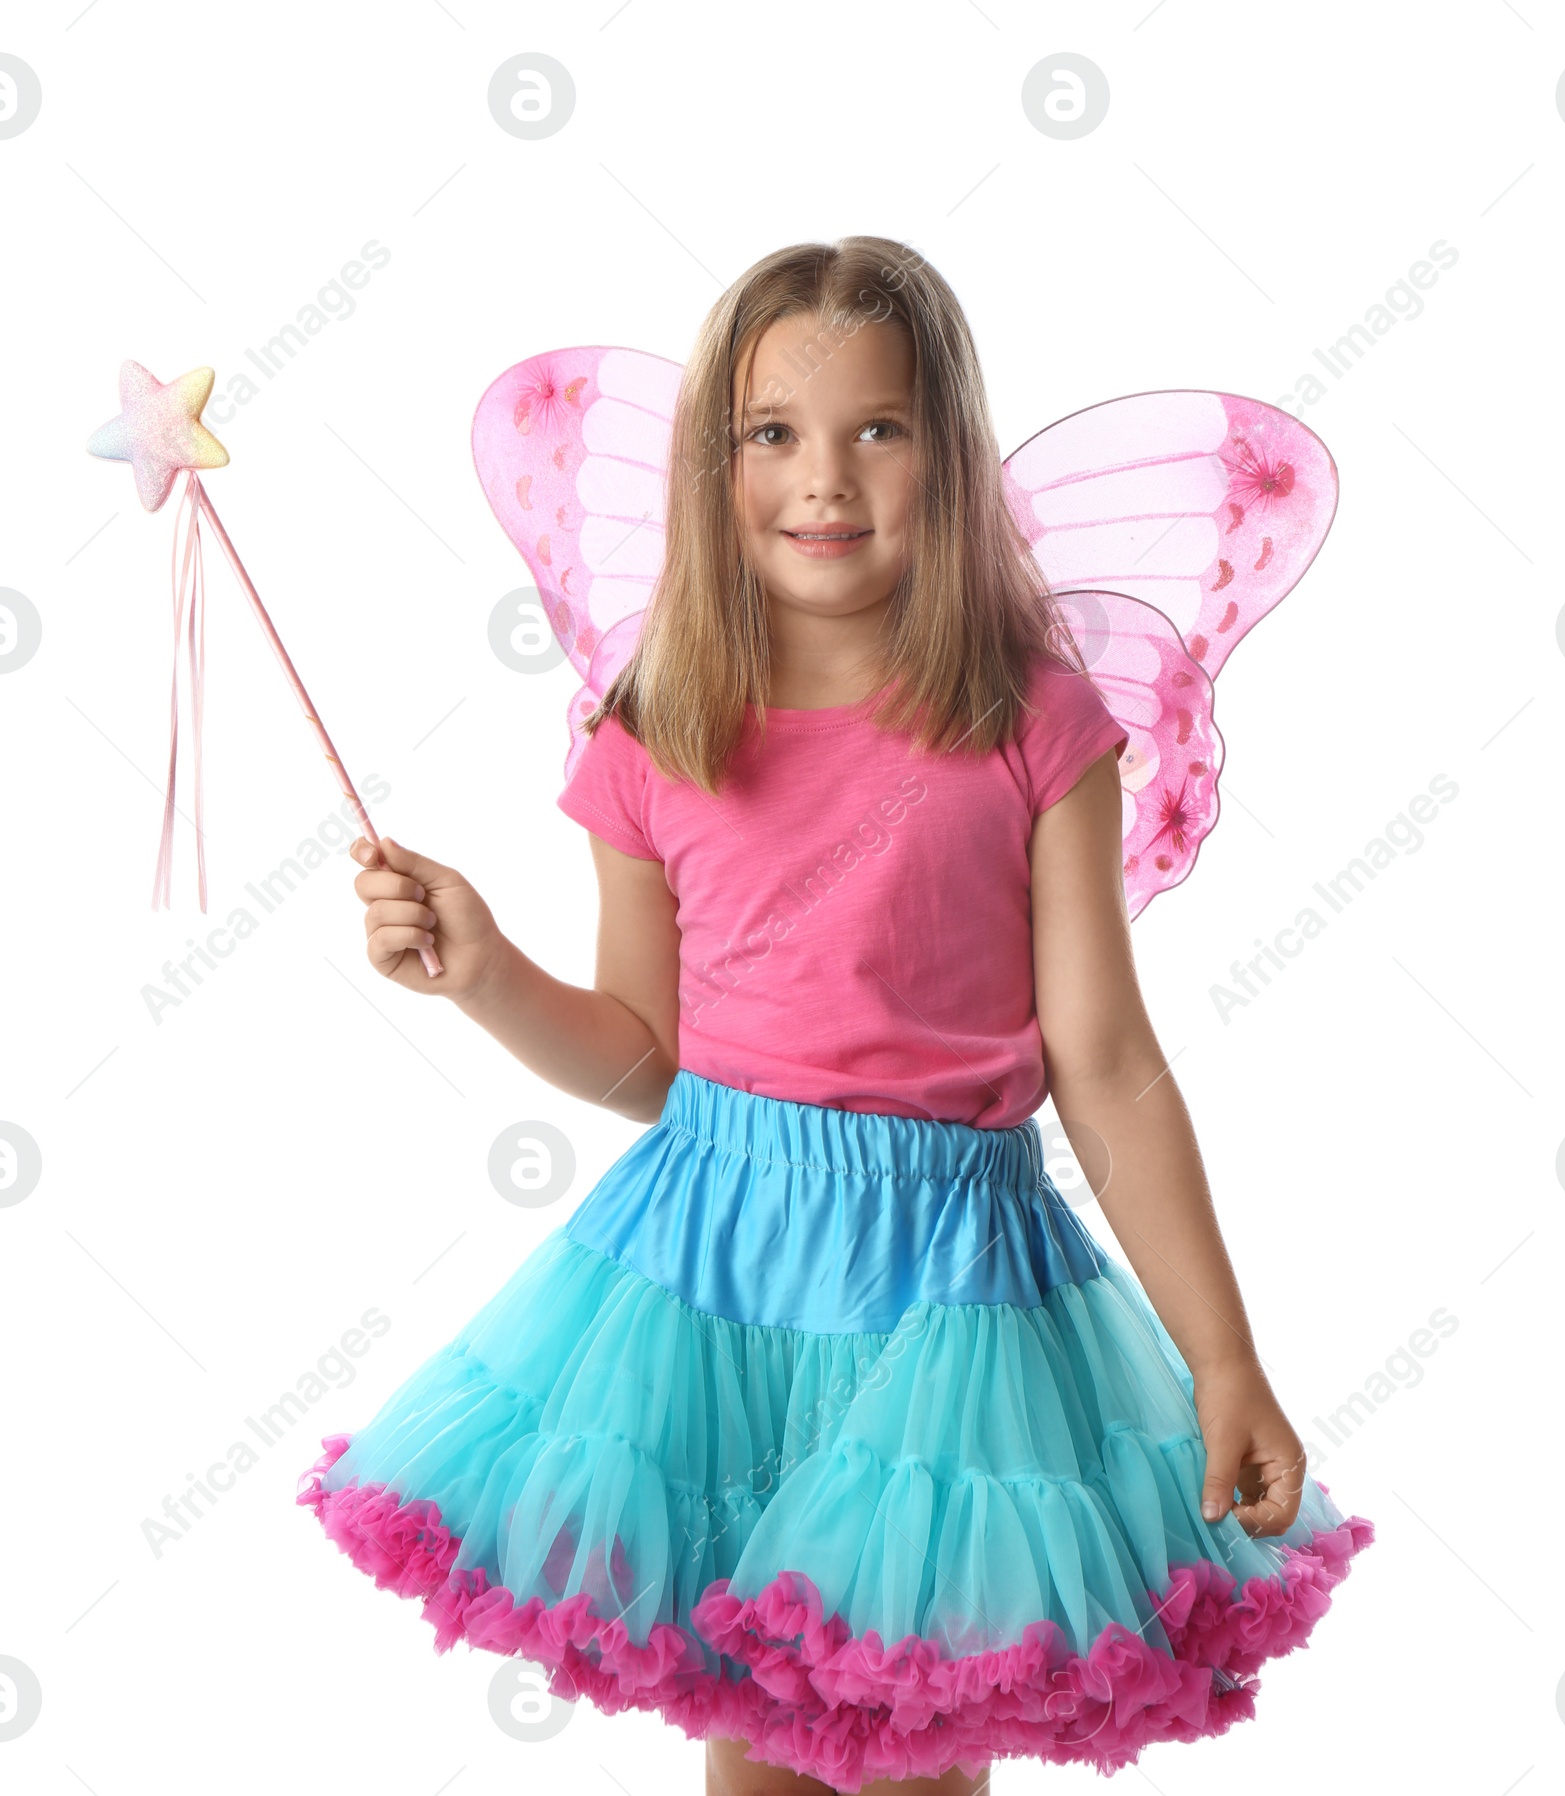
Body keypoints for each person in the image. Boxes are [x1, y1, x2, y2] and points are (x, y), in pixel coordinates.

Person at [297, 237, 1372, 1795]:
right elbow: (647, 1059)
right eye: (773, 434)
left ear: (948, 451)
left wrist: (1222, 1359)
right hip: (711, 1278)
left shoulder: (1031, 720)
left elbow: (1111, 1067)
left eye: (880, 429)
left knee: (922, 1739)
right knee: (761, 1751)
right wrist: (486, 977)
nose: (827, 480)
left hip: (955, 1290)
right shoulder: (658, 727)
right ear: (710, 465)